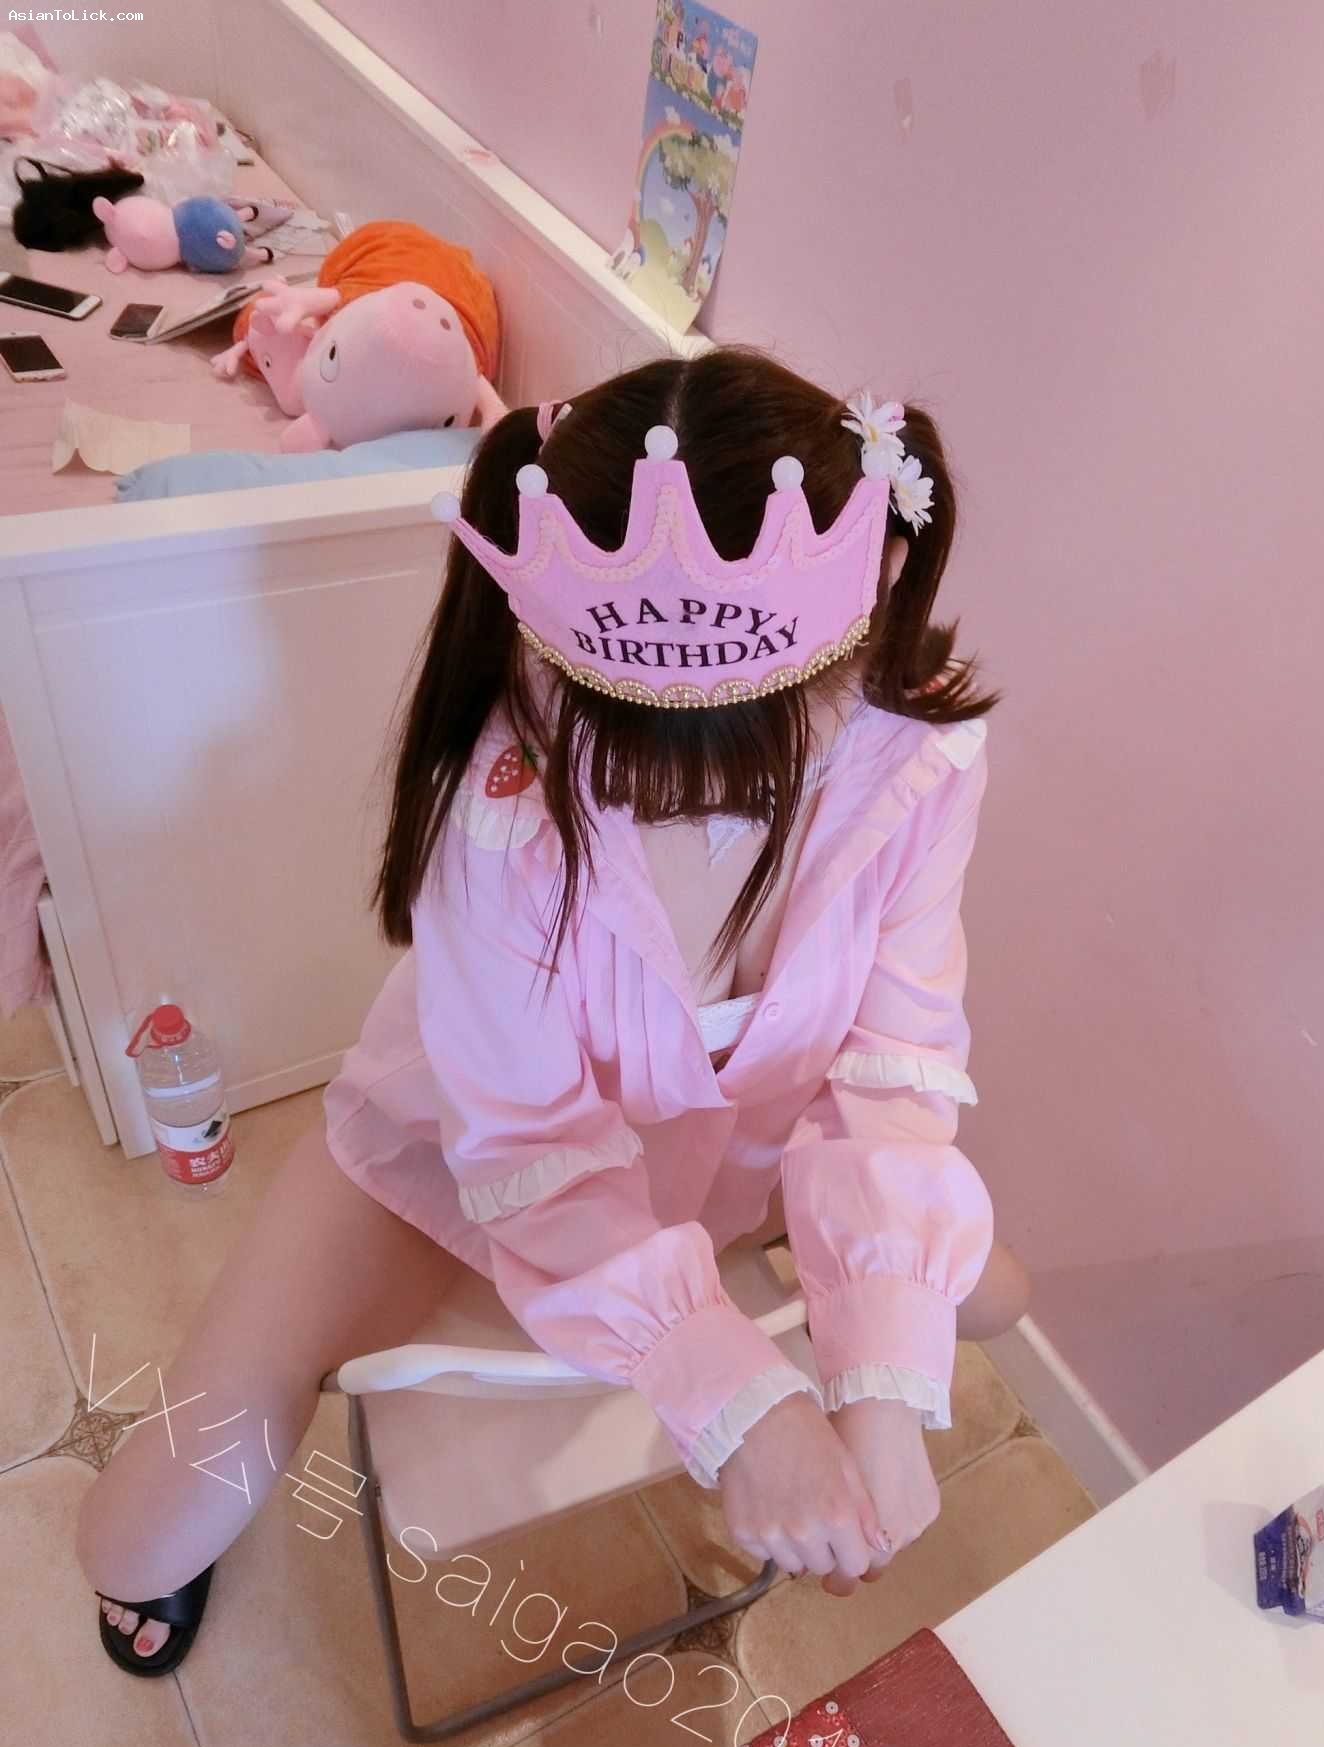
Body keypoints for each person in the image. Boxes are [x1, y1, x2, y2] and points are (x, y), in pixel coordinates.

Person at [78, 347, 1031, 1673]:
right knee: (141, 1534)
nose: (693, 802)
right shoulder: (504, 807)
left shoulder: (913, 762)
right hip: (471, 1145)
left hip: (740, 1157)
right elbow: (527, 1142)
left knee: (986, 1300)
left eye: (757, 754)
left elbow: (894, 1061)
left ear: (864, 614)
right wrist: (746, 1405)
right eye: (645, 751)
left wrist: (878, 1383)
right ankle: (159, 1539)